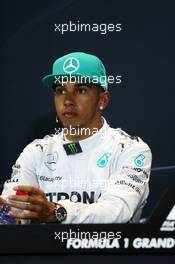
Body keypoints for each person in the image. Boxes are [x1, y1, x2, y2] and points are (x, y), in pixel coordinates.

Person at [0, 52, 152, 224]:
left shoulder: (130, 150)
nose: (68, 101)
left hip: (108, 250)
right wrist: (6, 214)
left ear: (103, 100)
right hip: (43, 250)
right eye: (61, 91)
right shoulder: (36, 152)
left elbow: (116, 212)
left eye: (80, 90)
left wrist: (57, 211)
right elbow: (11, 214)